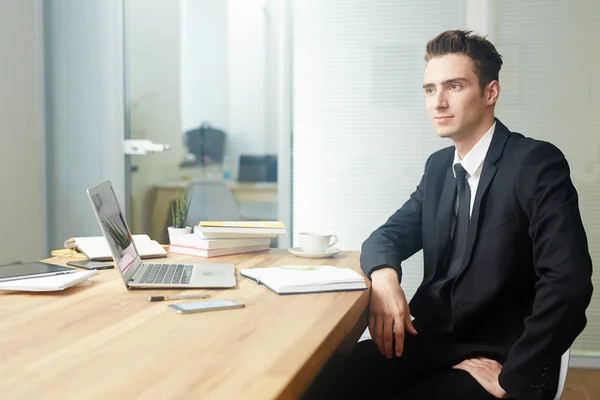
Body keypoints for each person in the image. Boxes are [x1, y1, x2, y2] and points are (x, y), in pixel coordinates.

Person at [303, 30, 593, 400]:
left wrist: (515, 378)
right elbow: (386, 236)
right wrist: (385, 277)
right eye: (429, 89)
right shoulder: (439, 167)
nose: (438, 102)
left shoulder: (534, 163)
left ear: (490, 93)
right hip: (432, 342)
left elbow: (568, 282)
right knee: (319, 384)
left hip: (501, 359)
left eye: (454, 86)